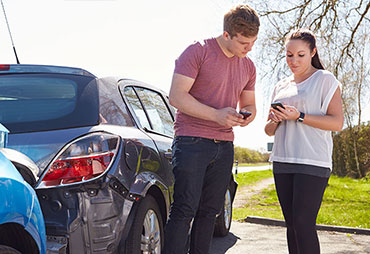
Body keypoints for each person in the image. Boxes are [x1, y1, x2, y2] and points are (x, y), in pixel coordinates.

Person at [163, 5, 260, 254]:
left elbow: (249, 103)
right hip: (191, 142)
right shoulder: (198, 51)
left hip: (225, 145)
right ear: (226, 35)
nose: (249, 49)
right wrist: (217, 115)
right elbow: (176, 96)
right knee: (185, 209)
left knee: (210, 212)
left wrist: (246, 116)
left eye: (253, 42)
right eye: (244, 43)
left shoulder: (248, 66)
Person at [265, 28, 344, 254]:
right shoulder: (281, 86)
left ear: (312, 52)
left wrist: (298, 116)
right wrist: (277, 119)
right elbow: (268, 130)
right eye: (289, 55)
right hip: (282, 159)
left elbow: (337, 122)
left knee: (303, 222)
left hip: (313, 161)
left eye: (300, 55)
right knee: (291, 226)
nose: (294, 60)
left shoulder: (325, 79)